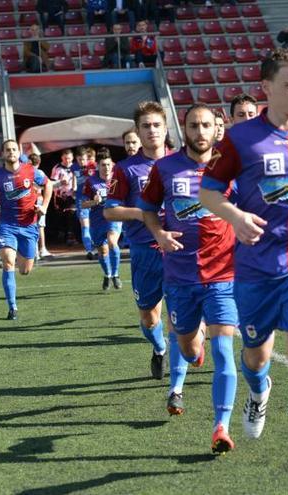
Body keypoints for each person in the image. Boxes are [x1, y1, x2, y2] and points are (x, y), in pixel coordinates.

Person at [199, 48, 288, 494]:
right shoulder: (240, 139)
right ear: (267, 87)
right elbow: (208, 194)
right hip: (255, 270)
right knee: (256, 358)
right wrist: (236, 217)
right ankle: (259, 392)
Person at [139, 104, 239, 454]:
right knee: (189, 348)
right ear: (184, 129)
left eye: (206, 125)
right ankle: (191, 347)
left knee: (224, 350)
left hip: (223, 273)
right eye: (194, 125)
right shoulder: (164, 168)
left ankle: (221, 427)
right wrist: (160, 233)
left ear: (216, 129)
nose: (200, 132)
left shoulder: (230, 166)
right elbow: (149, 209)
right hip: (180, 276)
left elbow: (248, 206)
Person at [103, 101, 171, 380]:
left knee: (187, 315)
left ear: (166, 128)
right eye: (146, 126)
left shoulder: (182, 161)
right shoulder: (126, 169)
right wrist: (144, 214)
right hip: (145, 251)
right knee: (149, 317)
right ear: (138, 132)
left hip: (180, 249)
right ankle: (160, 349)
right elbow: (109, 210)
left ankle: (183, 365)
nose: (152, 130)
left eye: (157, 125)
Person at [0, 140, 53, 320]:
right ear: (3, 154)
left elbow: (48, 184)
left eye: (14, 149)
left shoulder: (31, 170)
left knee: (25, 270)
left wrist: (44, 207)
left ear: (18, 152)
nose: (11, 152)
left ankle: (19, 252)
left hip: (29, 225)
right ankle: (12, 308)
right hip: (7, 225)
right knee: (8, 262)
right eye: (7, 150)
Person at [82, 155, 122, 289]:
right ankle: (108, 274)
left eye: (109, 165)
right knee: (103, 251)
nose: (106, 168)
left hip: (113, 216)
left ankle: (116, 275)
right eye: (103, 165)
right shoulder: (91, 181)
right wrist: (94, 201)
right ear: (98, 166)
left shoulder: (118, 180)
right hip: (97, 220)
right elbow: (83, 204)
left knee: (112, 241)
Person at [73, 146, 98, 258]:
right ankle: (89, 250)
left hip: (93, 199)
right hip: (81, 200)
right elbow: (74, 180)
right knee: (85, 225)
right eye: (79, 159)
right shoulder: (73, 167)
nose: (82, 162)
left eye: (84, 159)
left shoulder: (93, 166)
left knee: (95, 224)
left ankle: (98, 247)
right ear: (76, 159)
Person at [51, 149, 78, 246]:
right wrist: (60, 182)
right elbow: (51, 184)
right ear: (62, 158)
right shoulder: (57, 168)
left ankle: (72, 236)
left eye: (69, 158)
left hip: (72, 195)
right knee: (61, 217)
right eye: (66, 158)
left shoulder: (76, 166)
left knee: (72, 214)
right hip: (60, 196)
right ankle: (62, 235)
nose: (67, 161)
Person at [29, 153, 52, 259]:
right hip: (34, 200)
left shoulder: (39, 173)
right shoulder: (32, 172)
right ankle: (38, 250)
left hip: (38, 200)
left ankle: (40, 250)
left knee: (39, 225)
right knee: (38, 226)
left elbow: (47, 184)